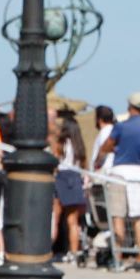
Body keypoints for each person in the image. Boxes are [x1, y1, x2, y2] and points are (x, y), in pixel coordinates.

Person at [93, 92, 140, 270]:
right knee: (139, 219)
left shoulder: (121, 126)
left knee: (118, 216)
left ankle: (118, 257)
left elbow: (106, 147)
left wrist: (98, 161)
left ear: (129, 105)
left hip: (120, 173)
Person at [52, 109, 88, 265]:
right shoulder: (79, 145)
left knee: (55, 217)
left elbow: (55, 160)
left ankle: (48, 249)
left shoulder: (61, 143)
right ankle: (73, 252)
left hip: (62, 177)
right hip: (75, 177)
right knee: (73, 221)